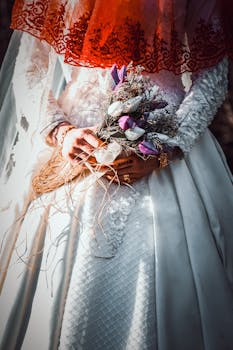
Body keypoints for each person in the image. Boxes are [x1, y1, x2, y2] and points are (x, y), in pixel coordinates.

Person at [0, 0, 233, 349]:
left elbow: (213, 75)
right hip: (80, 144)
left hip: (166, 133)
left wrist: (167, 148)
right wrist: (61, 132)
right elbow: (28, 69)